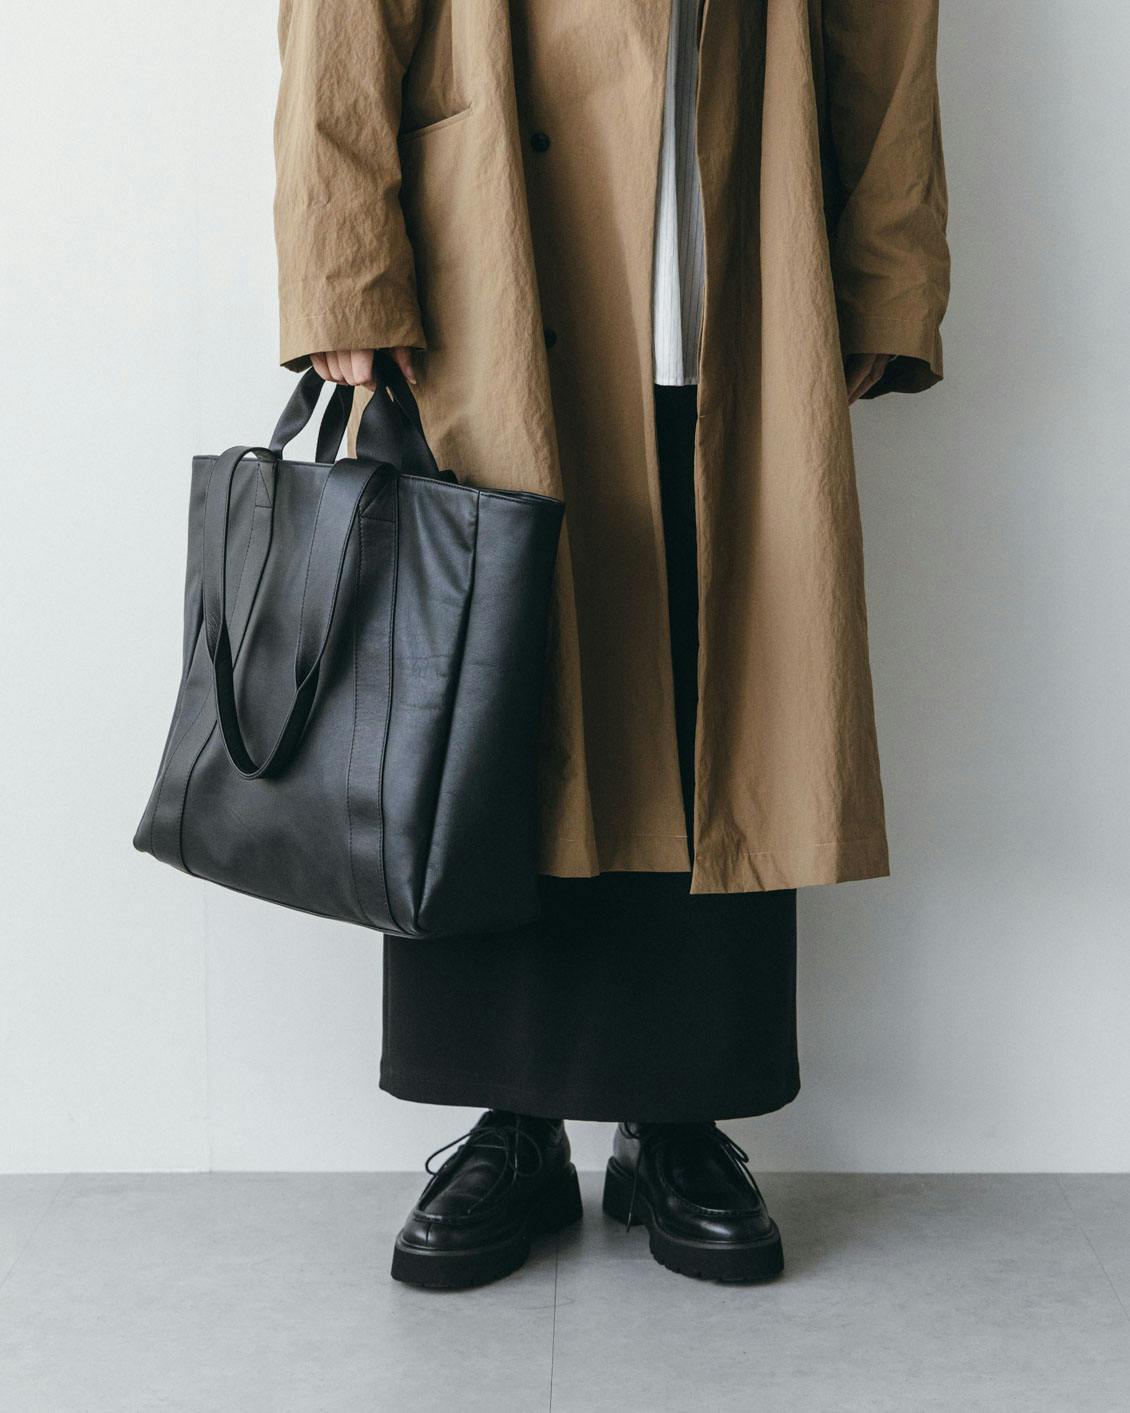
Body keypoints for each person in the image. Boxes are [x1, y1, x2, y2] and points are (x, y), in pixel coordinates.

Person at [273, 0, 949, 1289]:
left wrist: (886, 275)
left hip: (738, 253)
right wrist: (343, 268)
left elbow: (887, 25)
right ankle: (510, 1124)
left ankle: (679, 1121)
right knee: (489, 700)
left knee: (723, 698)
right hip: (494, 252)